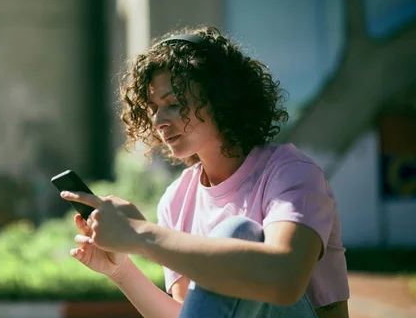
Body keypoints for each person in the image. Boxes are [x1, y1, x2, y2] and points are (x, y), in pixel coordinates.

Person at [61, 26, 350, 318]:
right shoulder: (176, 200)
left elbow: (285, 279)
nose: (159, 120)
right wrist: (121, 270)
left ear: (221, 99)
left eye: (173, 104)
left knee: (238, 233)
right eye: (153, 108)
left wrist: (142, 234)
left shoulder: (290, 173)